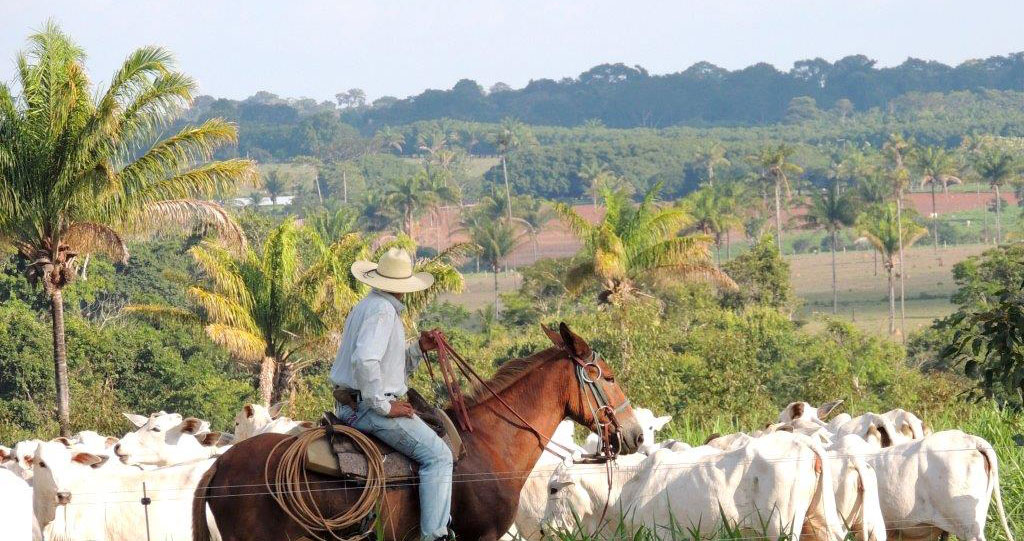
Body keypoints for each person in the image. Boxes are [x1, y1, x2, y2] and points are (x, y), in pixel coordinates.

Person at [330, 247, 453, 541]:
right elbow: (365, 361)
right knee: (438, 456)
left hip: (350, 403)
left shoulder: (368, 306)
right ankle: (435, 536)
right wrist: (384, 406)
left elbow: (386, 366)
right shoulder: (384, 311)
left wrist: (418, 349)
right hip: (367, 410)